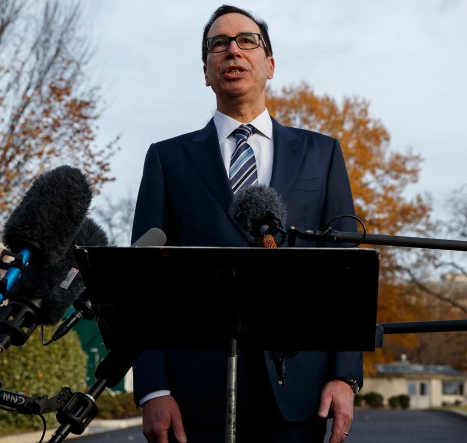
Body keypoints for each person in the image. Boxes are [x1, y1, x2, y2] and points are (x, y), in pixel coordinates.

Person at [129, 4, 362, 443]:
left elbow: (344, 270)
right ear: (206, 71)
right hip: (196, 392)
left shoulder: (323, 153)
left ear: (269, 65)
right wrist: (154, 388)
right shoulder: (167, 159)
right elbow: (144, 279)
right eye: (218, 44)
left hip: (301, 390)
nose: (232, 50)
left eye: (247, 41)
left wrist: (344, 375)